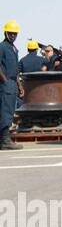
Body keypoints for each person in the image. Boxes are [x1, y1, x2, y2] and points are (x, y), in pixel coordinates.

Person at [0, 21, 20, 150]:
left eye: (15, 34)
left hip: (13, 83)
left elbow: (16, 69)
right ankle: (5, 140)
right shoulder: (2, 47)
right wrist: (5, 80)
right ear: (5, 33)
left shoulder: (14, 49)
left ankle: (4, 139)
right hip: (5, 83)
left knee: (10, 111)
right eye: (11, 33)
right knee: (5, 111)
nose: (13, 36)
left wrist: (19, 85)